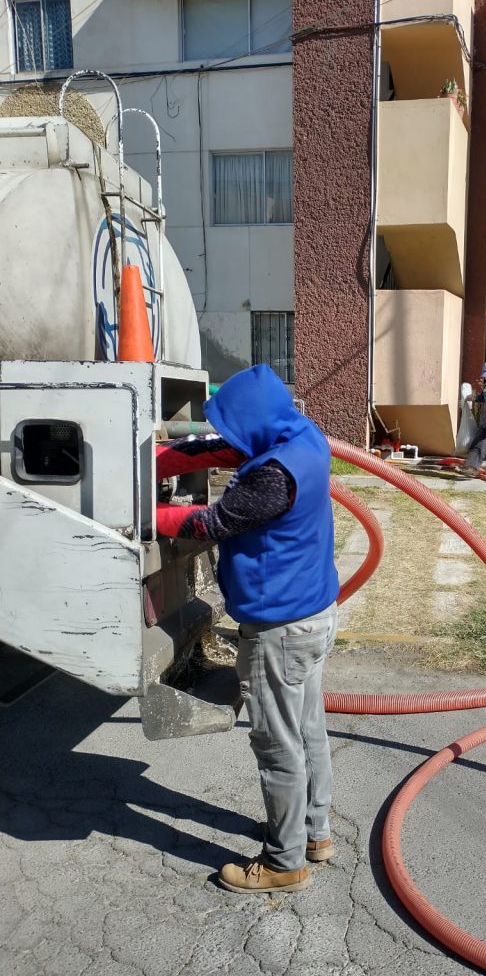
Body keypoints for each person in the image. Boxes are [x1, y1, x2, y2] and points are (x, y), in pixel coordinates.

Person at [157, 364, 339, 895]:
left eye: (237, 428)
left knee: (276, 744)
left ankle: (284, 863)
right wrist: (161, 457)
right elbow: (221, 448)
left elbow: (208, 525)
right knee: (307, 732)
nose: (233, 440)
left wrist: (148, 513)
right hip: (312, 616)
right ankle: (313, 835)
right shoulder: (301, 437)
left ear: (256, 425)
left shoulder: (271, 479)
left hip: (279, 630)